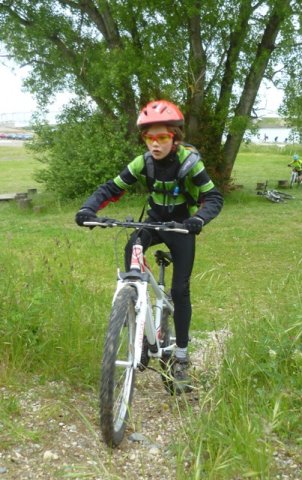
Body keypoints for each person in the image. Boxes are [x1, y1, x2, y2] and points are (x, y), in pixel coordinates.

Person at [75, 100, 223, 393]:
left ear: (175, 137)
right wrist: (87, 209)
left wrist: (198, 219)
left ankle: (181, 355)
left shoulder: (190, 163)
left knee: (180, 290)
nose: (155, 144)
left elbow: (214, 198)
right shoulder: (143, 162)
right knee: (133, 246)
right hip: (154, 222)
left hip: (181, 227)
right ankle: (137, 320)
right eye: (149, 138)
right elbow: (111, 188)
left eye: (163, 137)